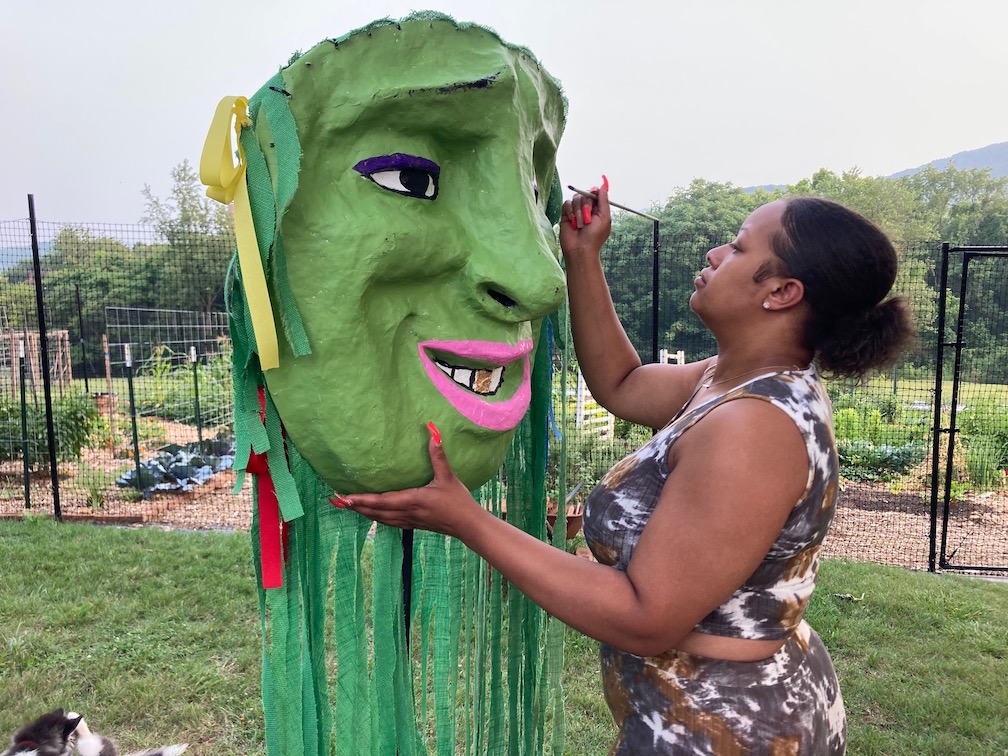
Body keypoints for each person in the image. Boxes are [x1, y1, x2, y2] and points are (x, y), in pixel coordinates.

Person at [346, 184, 916, 754]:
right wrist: (584, 256)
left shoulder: (752, 427)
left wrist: (468, 521)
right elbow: (621, 384)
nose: (716, 254)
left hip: (723, 724)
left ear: (782, 292)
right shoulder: (733, 379)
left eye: (739, 249)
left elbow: (648, 617)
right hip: (710, 704)